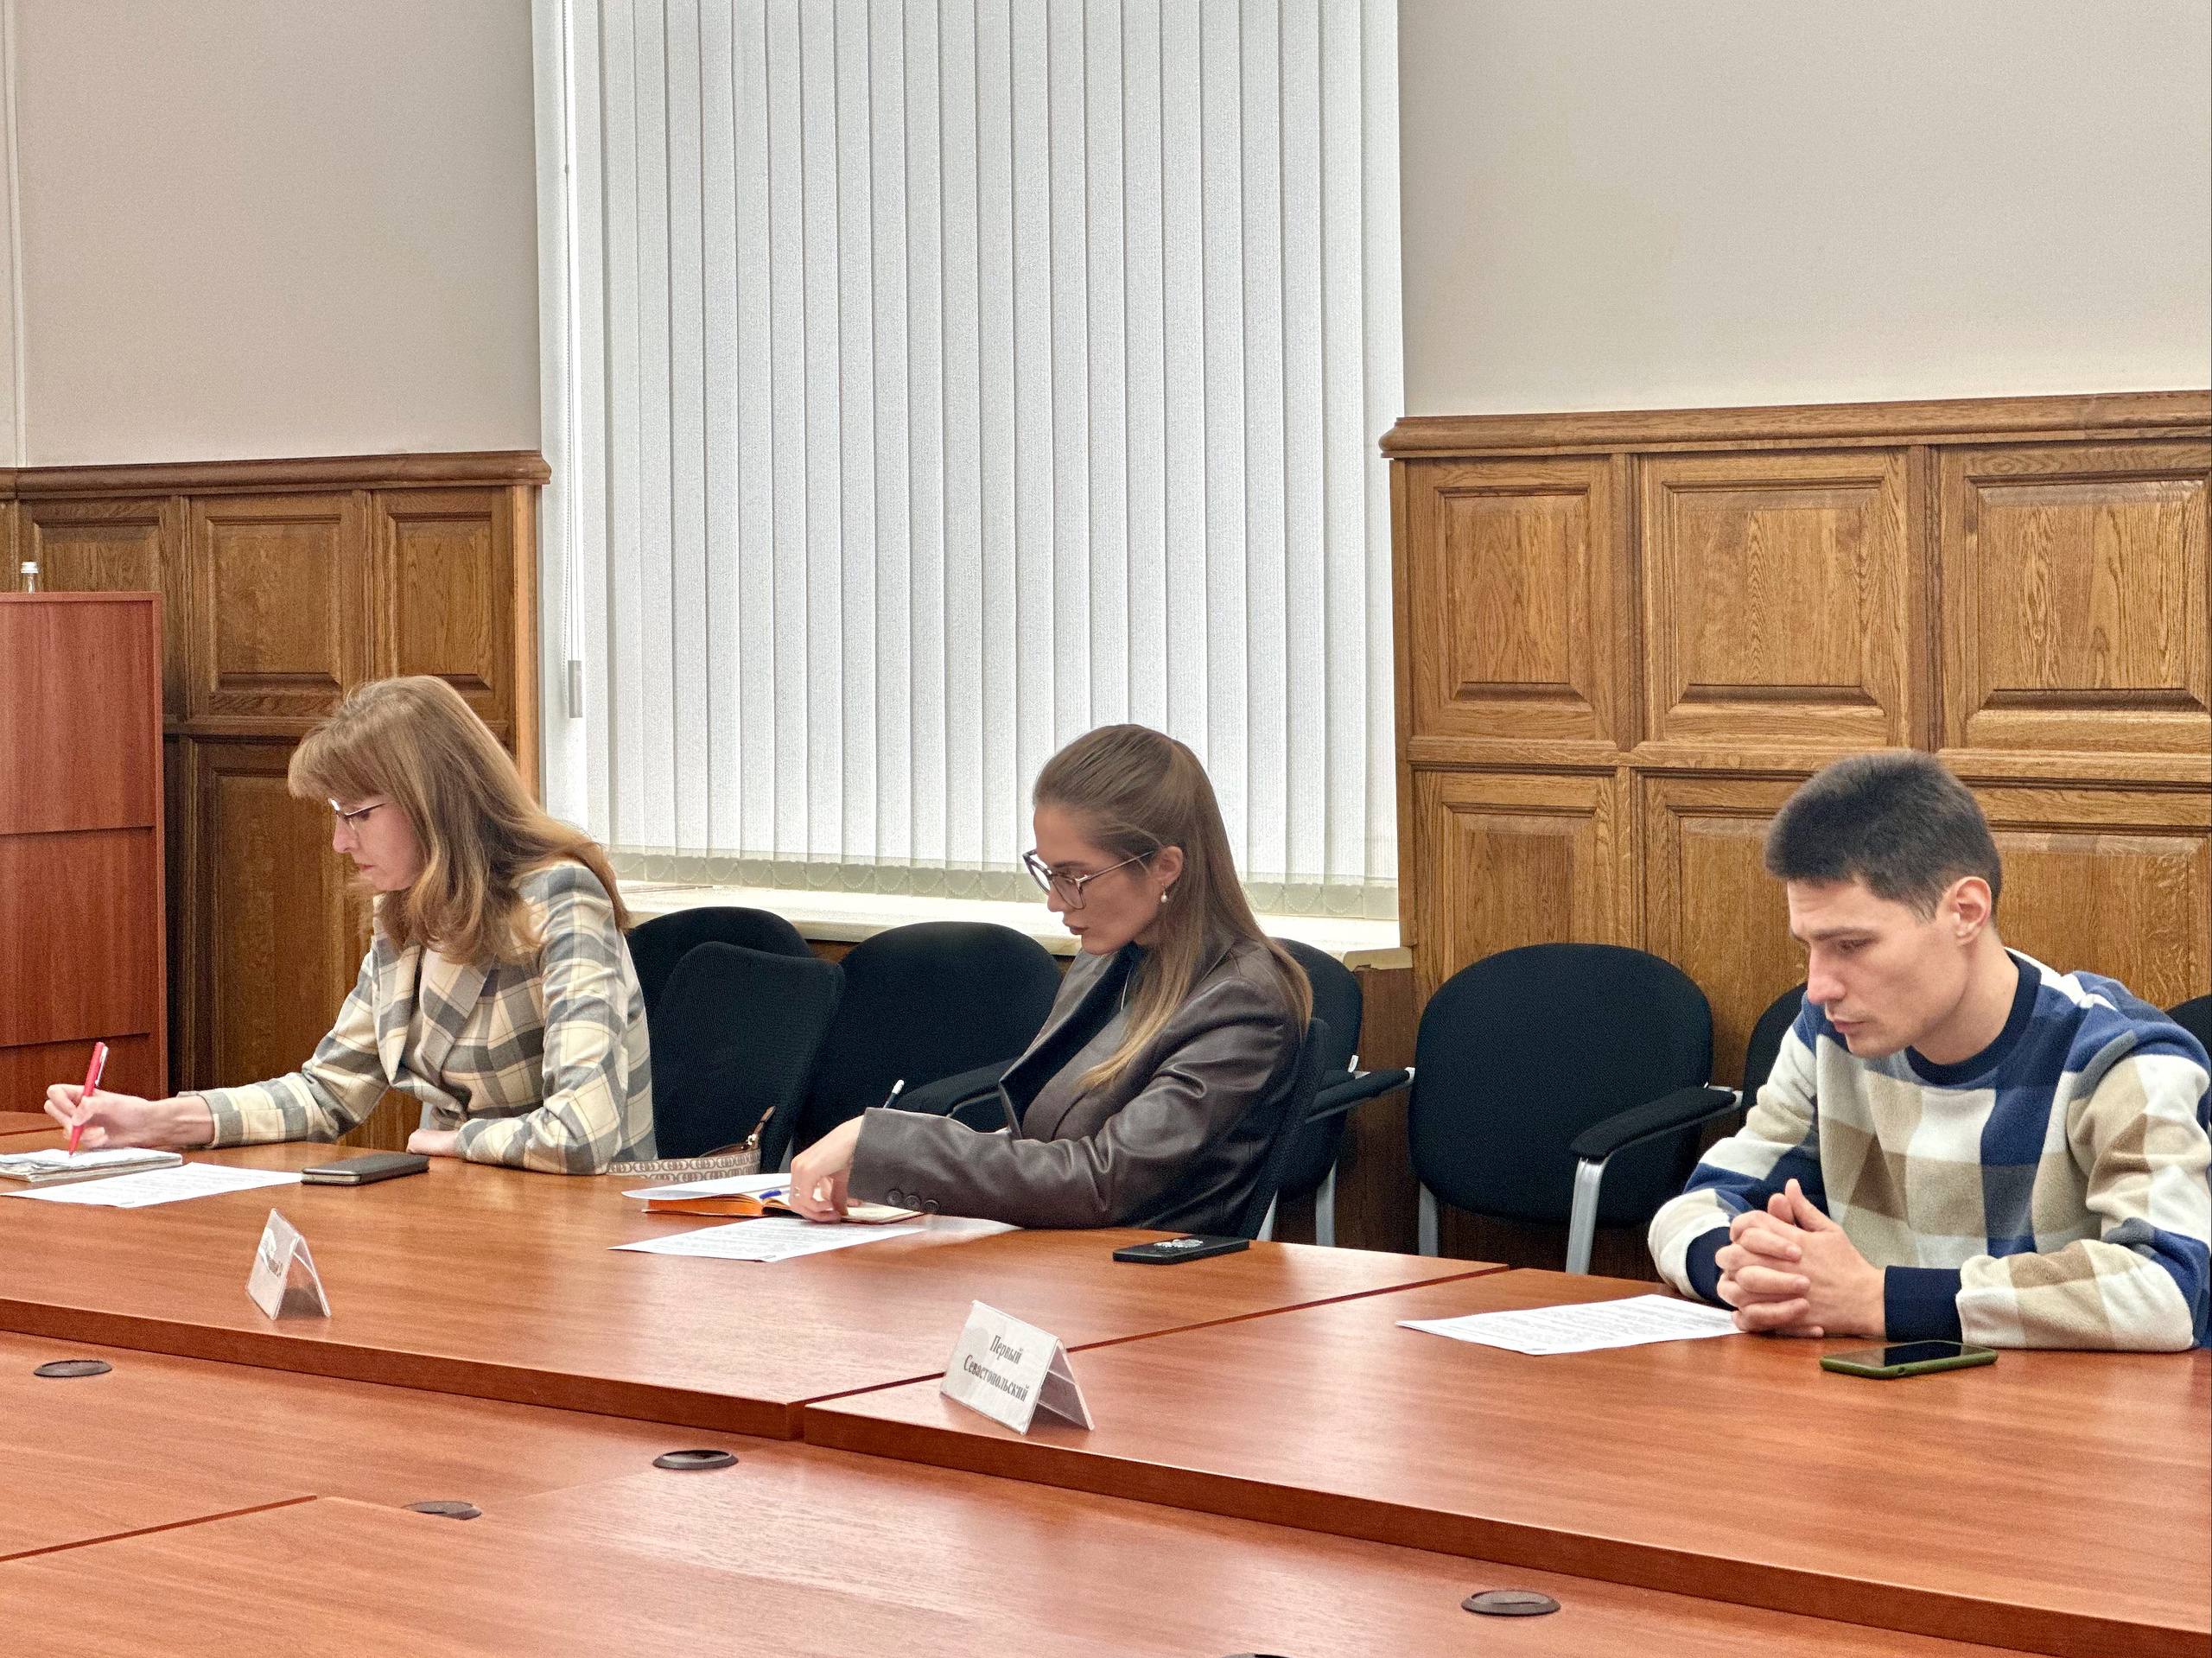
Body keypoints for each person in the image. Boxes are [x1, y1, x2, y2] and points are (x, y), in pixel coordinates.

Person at [1649, 751, 2209, 1350]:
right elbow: (1696, 1207)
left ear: (1965, 911)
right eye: (1810, 946)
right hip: (1878, 1395)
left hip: (2065, 1406)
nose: (1819, 986)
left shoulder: (2121, 1054)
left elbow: (2167, 1291)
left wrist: (1878, 1299)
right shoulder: (1828, 1036)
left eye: (1851, 945)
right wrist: (1747, 1272)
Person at [46, 677, 653, 1174]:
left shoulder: (561, 898)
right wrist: (154, 1120)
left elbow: (581, 1132)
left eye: (357, 814)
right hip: (467, 1213)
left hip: (584, 1232)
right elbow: (328, 1092)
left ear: (433, 801)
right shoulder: (405, 908)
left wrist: (453, 1141)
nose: (340, 841)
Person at [788, 724, 1312, 1230]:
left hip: (1139, 1274)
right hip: (1056, 1255)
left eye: (1075, 876)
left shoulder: (1243, 999)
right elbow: (1039, 1143)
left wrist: (894, 1148)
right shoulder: (1109, 958)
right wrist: (897, 1172)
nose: (1056, 902)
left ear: (1164, 867)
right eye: (1049, 872)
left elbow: (1102, 1180)